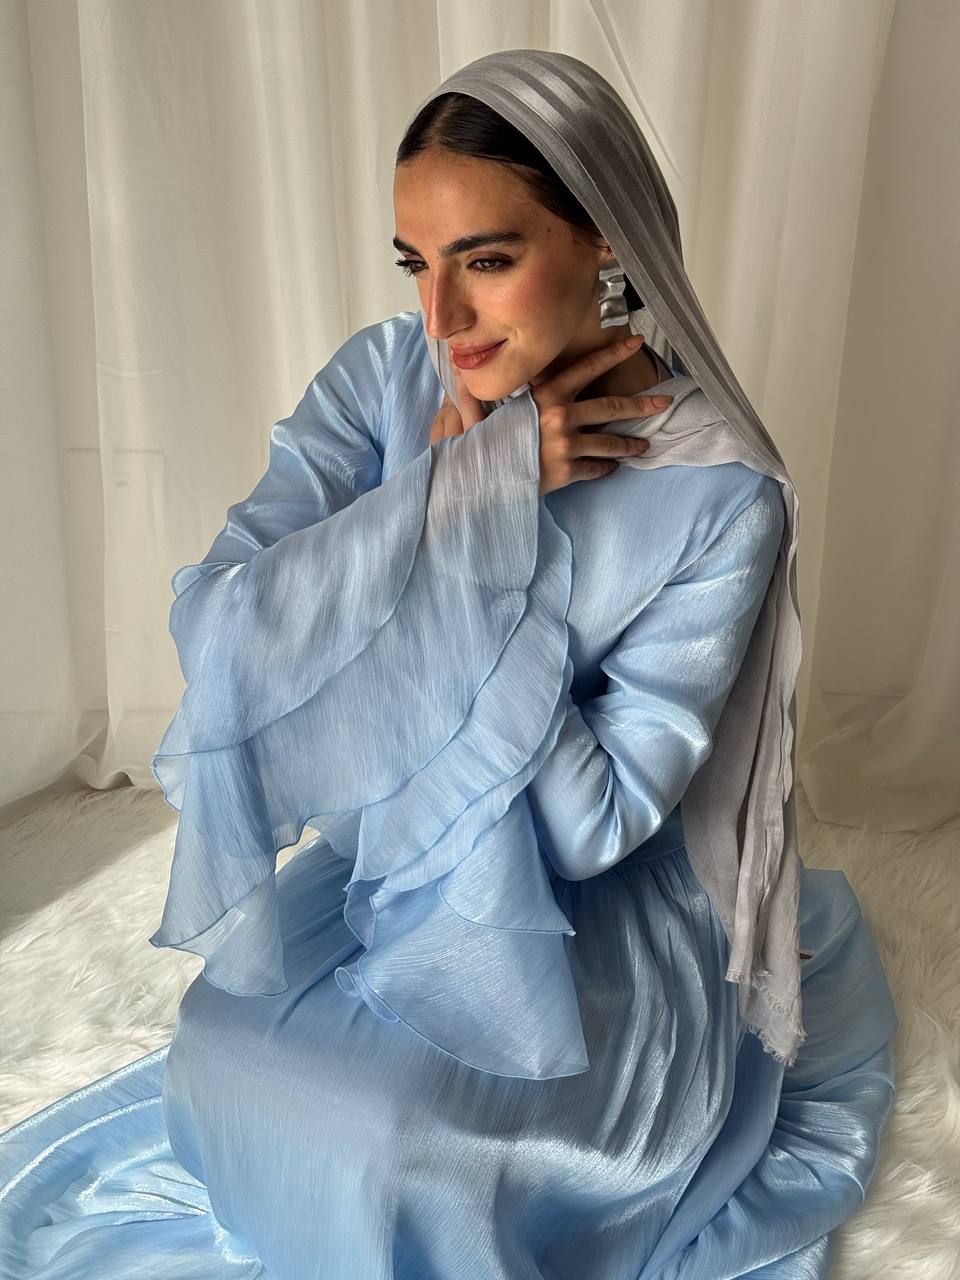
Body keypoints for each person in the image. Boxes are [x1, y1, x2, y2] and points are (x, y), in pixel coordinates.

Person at [0, 50, 897, 1280]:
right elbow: (221, 628)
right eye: (415, 264)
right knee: (223, 1053)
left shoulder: (724, 495)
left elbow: (592, 829)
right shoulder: (386, 377)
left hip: (593, 922)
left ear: (606, 239)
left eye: (485, 259)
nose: (442, 320)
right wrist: (451, 492)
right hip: (395, 862)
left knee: (400, 1149)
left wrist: (487, 551)